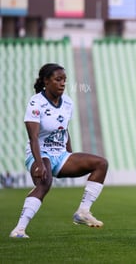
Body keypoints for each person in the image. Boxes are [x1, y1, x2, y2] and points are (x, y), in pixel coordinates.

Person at [10, 63, 108, 239]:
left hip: (60, 155)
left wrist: (70, 154)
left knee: (101, 163)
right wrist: (39, 164)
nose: (63, 83)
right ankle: (19, 229)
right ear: (46, 81)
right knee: (45, 183)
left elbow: (64, 130)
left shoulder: (68, 102)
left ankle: (83, 212)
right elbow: (33, 138)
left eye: (64, 80)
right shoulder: (36, 102)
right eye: (58, 79)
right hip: (39, 153)